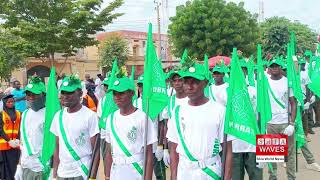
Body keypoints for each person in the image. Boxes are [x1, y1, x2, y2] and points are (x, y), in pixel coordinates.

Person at [167, 63, 233, 180]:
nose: (189, 86)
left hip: (210, 171)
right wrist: (173, 175)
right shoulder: (177, 111)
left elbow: (227, 150)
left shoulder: (220, 111)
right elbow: (173, 147)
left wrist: (227, 177)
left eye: (195, 82)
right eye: (186, 81)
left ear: (206, 83)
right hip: (185, 172)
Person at [104, 76, 157, 180]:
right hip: (117, 171)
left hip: (136, 170)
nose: (117, 97)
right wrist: (107, 175)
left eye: (121, 93)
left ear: (132, 93)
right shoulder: (110, 118)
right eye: (115, 93)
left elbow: (149, 153)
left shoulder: (143, 118)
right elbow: (108, 151)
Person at [51, 75, 100, 180]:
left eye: (70, 92)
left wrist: (92, 176)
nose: (66, 96)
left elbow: (96, 150)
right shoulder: (57, 116)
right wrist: (55, 174)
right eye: (63, 92)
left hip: (82, 172)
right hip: (63, 173)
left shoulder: (90, 116)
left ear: (80, 94)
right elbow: (57, 147)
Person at [231, 61, 262, 180]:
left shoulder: (255, 91)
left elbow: (263, 117)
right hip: (235, 144)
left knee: (256, 177)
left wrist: (266, 152)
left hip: (252, 143)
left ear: (245, 72)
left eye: (241, 70)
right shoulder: (227, 92)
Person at [267, 59, 297, 180]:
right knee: (271, 153)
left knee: (289, 153)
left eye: (277, 66)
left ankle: (291, 177)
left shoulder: (287, 82)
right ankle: (273, 176)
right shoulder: (265, 82)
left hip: (285, 122)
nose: (274, 68)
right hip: (270, 123)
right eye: (272, 66)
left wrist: (292, 123)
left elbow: (293, 103)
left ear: (280, 67)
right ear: (269, 68)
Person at [134, 74, 167, 180]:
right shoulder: (135, 102)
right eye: (140, 85)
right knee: (142, 174)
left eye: (144, 85)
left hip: (155, 146)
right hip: (139, 148)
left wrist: (161, 146)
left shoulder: (156, 102)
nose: (142, 88)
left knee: (160, 174)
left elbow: (162, 124)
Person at [15, 77, 47, 180]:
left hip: (42, 168)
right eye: (28, 94)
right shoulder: (25, 114)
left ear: (43, 95)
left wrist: (52, 169)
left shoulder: (50, 115)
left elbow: (55, 144)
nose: (31, 97)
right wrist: (19, 165)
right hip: (26, 166)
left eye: (34, 94)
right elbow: (23, 141)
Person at [161, 70, 188, 167]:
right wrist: (164, 148)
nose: (177, 83)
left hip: (189, 145)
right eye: (174, 81)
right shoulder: (169, 101)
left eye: (180, 80)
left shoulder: (192, 99)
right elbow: (166, 125)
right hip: (174, 145)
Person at [0, 95, 21, 180]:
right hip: (4, 146)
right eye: (9, 102)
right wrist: (9, 141)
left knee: (14, 166)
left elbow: (20, 128)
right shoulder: (1, 114)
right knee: (5, 168)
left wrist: (18, 139)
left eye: (12, 101)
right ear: (5, 103)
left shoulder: (19, 113)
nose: (11, 103)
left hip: (15, 145)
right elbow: (0, 129)